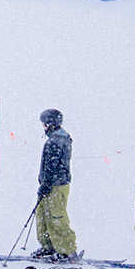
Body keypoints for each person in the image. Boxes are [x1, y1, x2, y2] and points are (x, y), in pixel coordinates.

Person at [33, 108, 78, 260]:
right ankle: (49, 246)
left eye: (44, 124)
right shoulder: (59, 138)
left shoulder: (55, 142)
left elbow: (51, 167)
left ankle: (67, 250)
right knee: (43, 214)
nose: (43, 127)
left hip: (56, 186)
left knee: (56, 216)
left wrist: (46, 184)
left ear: (50, 124)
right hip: (51, 184)